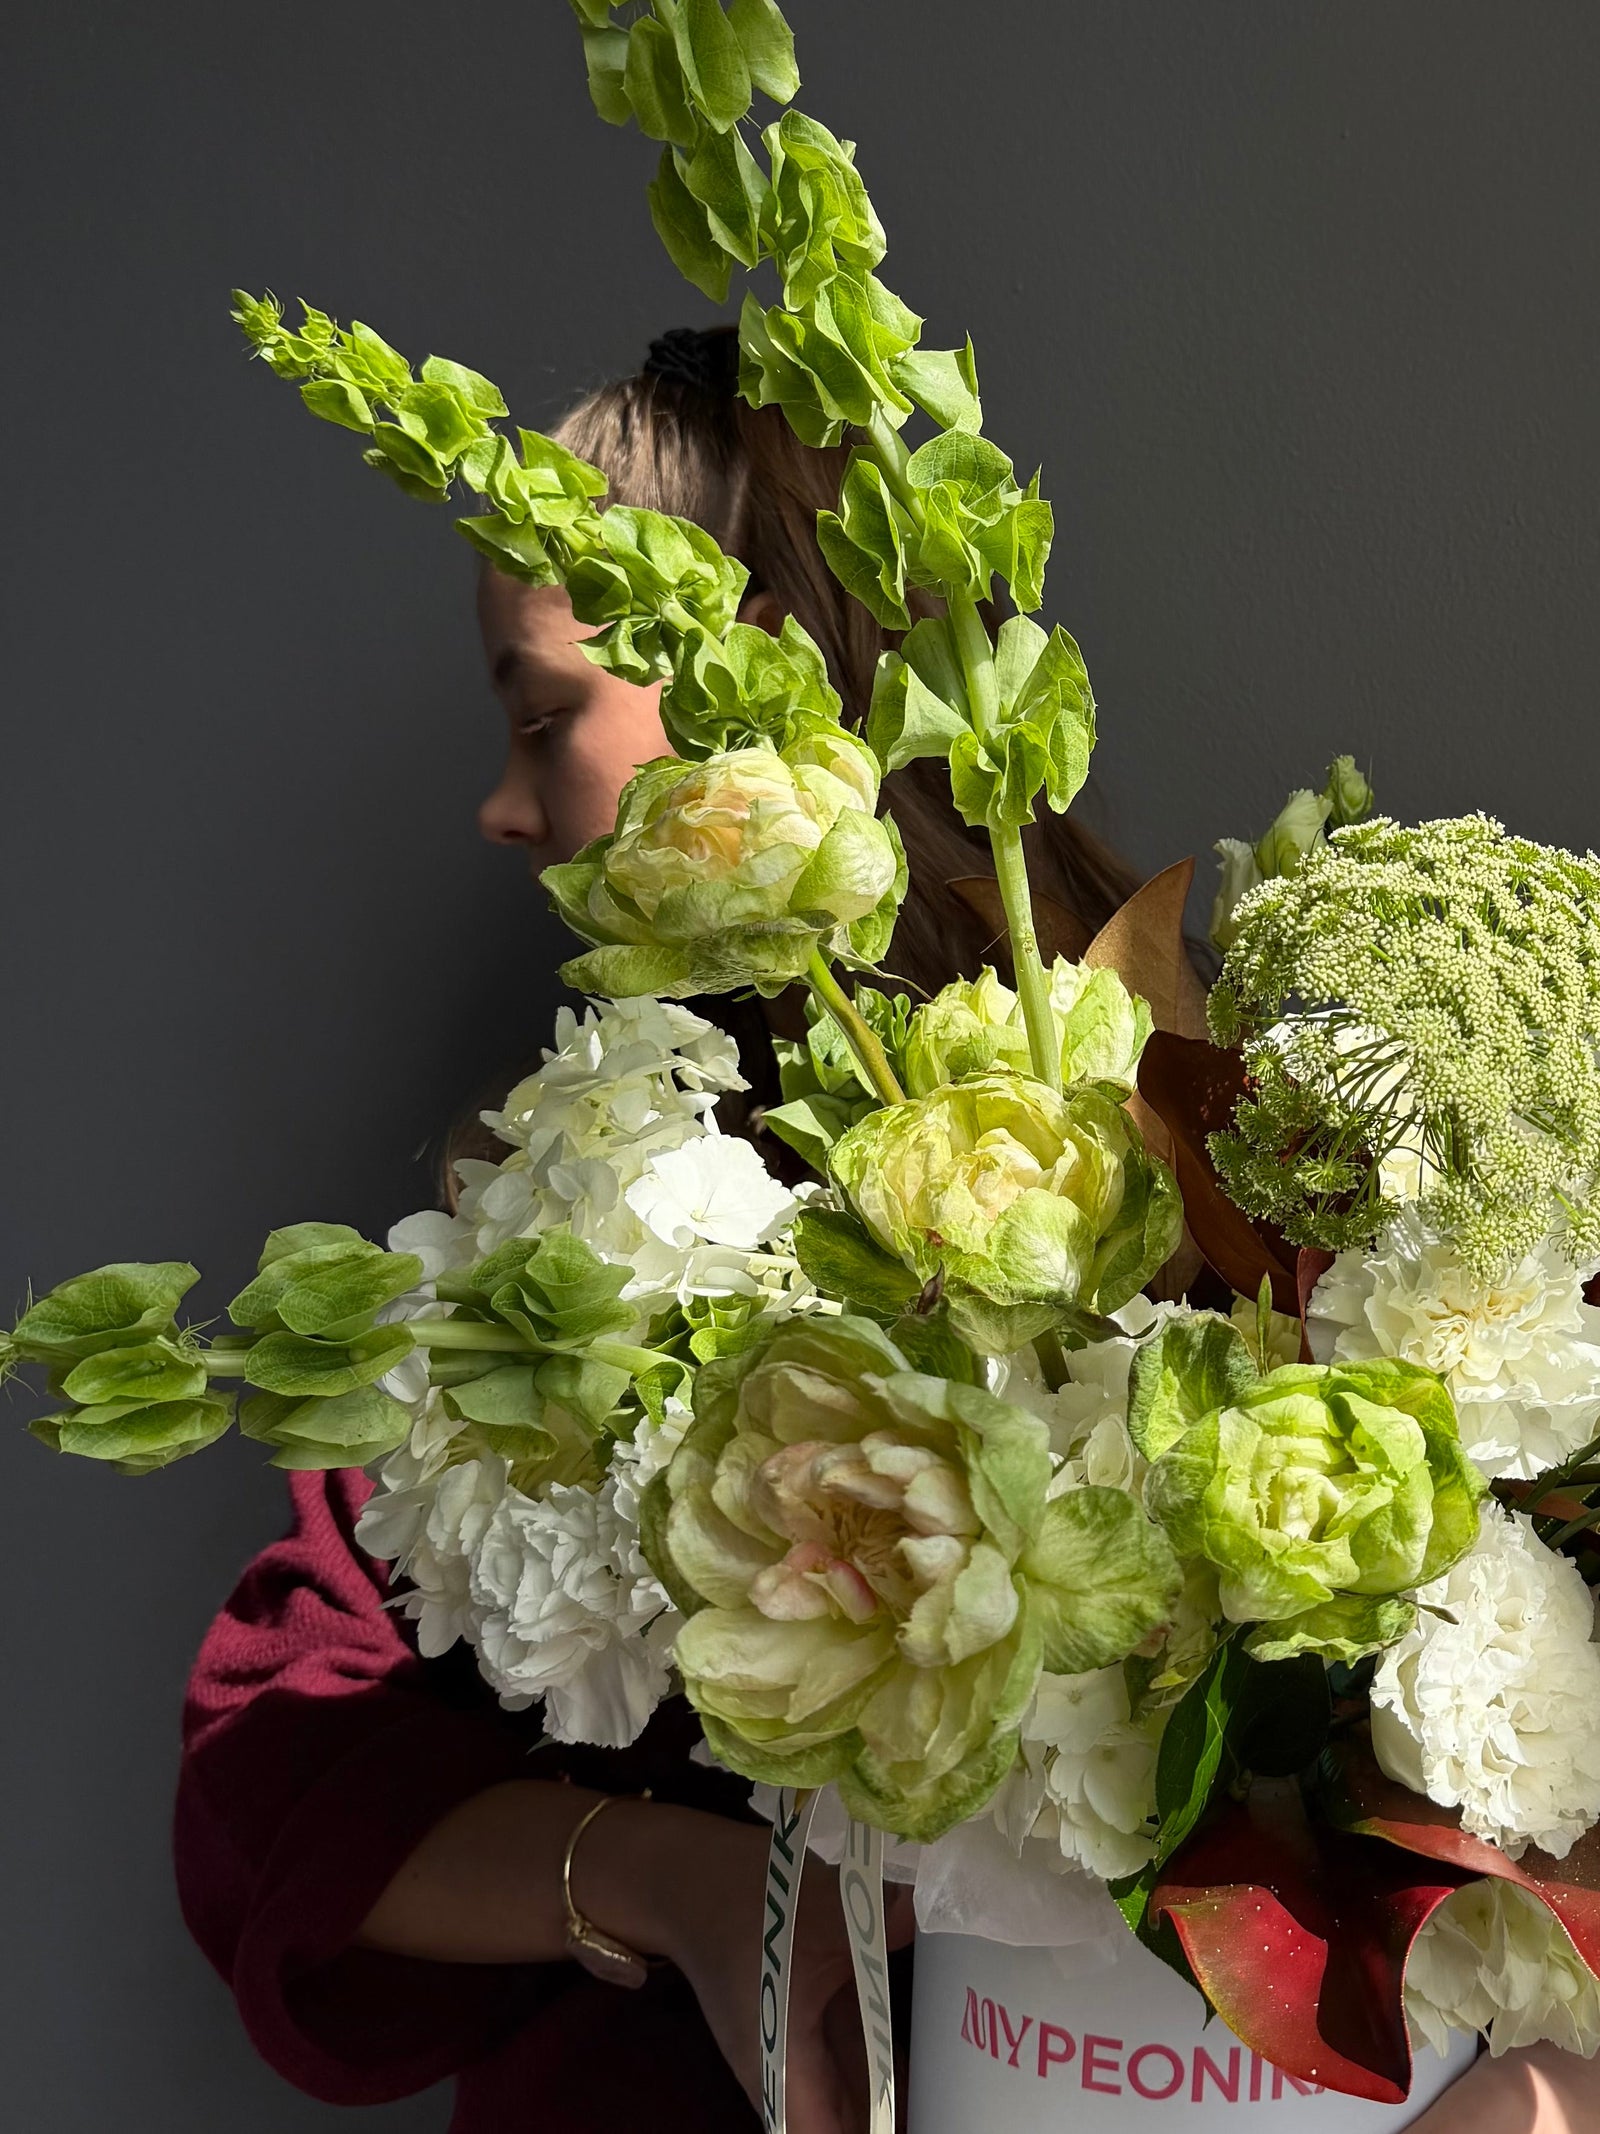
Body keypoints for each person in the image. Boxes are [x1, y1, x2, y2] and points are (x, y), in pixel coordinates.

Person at [173, 329, 1594, 2134]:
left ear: (750, 684)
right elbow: (271, 1779)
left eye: (541, 717)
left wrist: (1553, 2076)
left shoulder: (1261, 1130)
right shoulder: (559, 1222)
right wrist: (675, 1887)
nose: (505, 808)